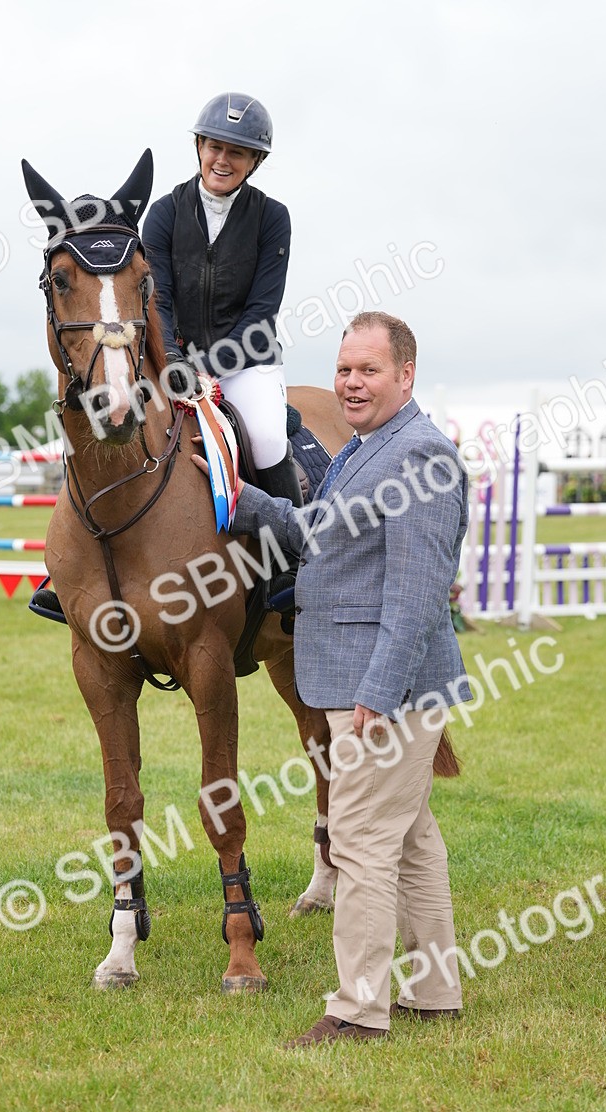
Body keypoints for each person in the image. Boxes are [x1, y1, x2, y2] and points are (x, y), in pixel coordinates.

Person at [195, 312, 472, 1047]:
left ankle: (356, 1010)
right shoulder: (366, 447)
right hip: (367, 684)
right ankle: (434, 992)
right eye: (344, 369)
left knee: (361, 842)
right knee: (410, 842)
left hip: (383, 690)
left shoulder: (420, 456)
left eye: (368, 370)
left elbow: (417, 596)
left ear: (405, 375)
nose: (350, 383)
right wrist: (244, 500)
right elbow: (323, 532)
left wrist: (377, 693)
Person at [143, 91, 302, 505]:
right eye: (214, 146)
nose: (222, 160)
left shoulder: (272, 218)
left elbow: (261, 314)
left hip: (247, 362)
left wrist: (205, 369)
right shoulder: (163, 213)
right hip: (174, 361)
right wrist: (174, 362)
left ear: (255, 161)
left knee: (267, 438)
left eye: (238, 152)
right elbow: (158, 302)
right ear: (199, 145)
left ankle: (293, 540)